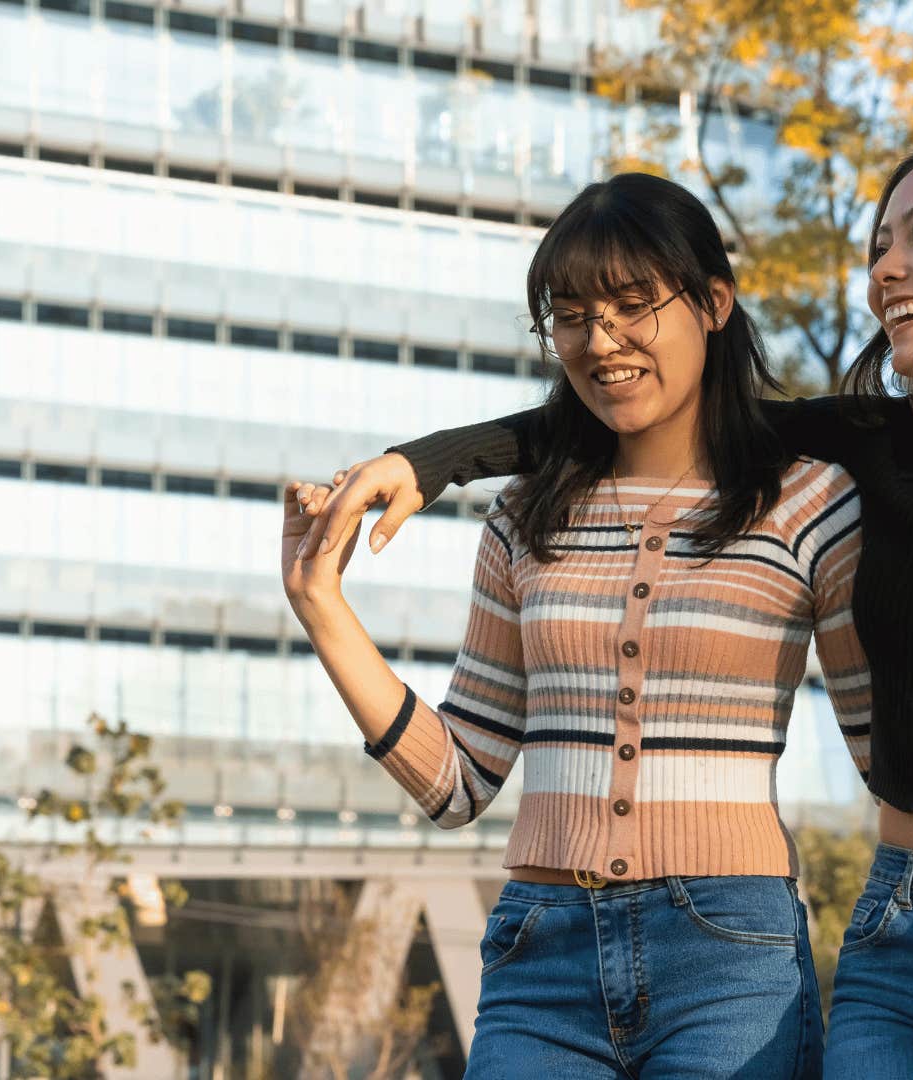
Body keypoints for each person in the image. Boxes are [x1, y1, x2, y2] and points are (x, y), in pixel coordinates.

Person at [299, 129, 913, 1080]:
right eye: (880, 244)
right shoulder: (881, 445)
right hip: (902, 927)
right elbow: (647, 410)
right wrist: (430, 462)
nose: (886, 268)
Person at [279, 171, 870, 1080]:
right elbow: (460, 780)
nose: (601, 342)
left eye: (633, 306)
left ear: (715, 303)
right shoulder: (525, 516)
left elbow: (890, 758)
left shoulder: (811, 503)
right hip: (540, 956)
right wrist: (321, 606)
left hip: (731, 958)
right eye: (571, 316)